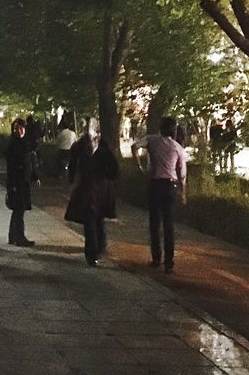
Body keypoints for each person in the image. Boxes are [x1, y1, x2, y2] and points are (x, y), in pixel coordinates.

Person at [132, 117, 188, 273]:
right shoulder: (178, 148)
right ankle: (169, 263)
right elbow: (182, 174)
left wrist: (140, 166)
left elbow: (135, 146)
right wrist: (183, 193)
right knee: (169, 224)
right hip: (170, 186)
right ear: (174, 130)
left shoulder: (152, 140)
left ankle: (156, 258)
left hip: (154, 184)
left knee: (154, 222)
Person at [66, 118, 120, 266]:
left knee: (90, 218)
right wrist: (110, 177)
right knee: (98, 217)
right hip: (101, 185)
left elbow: (72, 165)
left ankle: (92, 251)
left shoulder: (79, 145)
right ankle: (98, 248)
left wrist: (72, 179)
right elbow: (114, 164)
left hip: (87, 184)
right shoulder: (103, 144)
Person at [5, 118, 37, 247]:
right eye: (17, 129)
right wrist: (11, 185)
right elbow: (11, 167)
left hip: (24, 182)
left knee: (18, 210)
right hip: (17, 182)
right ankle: (19, 236)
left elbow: (30, 162)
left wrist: (35, 176)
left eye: (22, 128)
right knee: (19, 210)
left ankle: (13, 235)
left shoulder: (26, 144)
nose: (19, 131)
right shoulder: (13, 146)